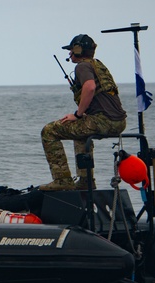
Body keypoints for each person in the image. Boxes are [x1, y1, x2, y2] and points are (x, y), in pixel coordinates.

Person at [39, 34, 127, 190]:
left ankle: (62, 180)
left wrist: (78, 114)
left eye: (72, 50)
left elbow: (90, 87)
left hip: (103, 121)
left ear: (78, 50)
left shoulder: (82, 66)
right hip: (118, 122)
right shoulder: (97, 65)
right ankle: (86, 181)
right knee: (79, 133)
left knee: (49, 131)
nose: (69, 54)